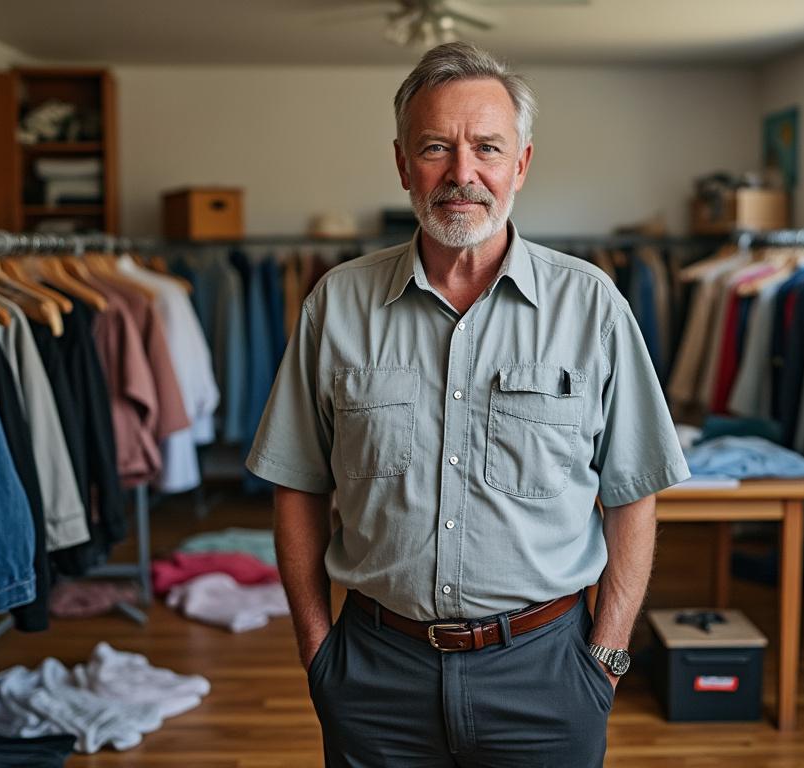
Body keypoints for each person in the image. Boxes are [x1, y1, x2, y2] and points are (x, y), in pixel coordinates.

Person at [246, 40, 688, 766]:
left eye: (487, 147)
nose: (462, 174)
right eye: (434, 148)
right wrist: (317, 648)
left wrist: (605, 658)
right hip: (375, 674)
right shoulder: (337, 303)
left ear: (521, 165)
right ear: (400, 164)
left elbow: (632, 492)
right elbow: (297, 484)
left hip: (548, 674)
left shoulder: (592, 306)